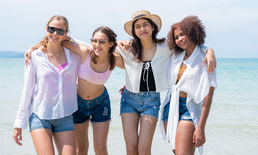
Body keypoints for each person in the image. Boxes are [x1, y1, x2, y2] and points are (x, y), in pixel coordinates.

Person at [116, 10, 216, 155]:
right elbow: (110, 52)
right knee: (134, 149)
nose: (142, 29)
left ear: (152, 27)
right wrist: (133, 83)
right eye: (137, 26)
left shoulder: (166, 47)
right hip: (152, 102)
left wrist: (210, 51)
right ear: (134, 31)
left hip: (163, 102)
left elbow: (193, 48)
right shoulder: (130, 48)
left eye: (145, 25)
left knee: (146, 150)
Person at [24, 26, 125, 155]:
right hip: (78, 104)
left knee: (100, 149)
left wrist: (127, 85)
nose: (97, 45)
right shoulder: (84, 52)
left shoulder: (114, 59)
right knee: (80, 149)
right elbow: (60, 40)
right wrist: (34, 47)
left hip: (101, 103)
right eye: (94, 41)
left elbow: (134, 68)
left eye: (102, 42)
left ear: (111, 43)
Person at [13, 15, 81, 155]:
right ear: (46, 29)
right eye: (52, 29)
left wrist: (69, 41)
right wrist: (19, 123)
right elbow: (27, 90)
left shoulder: (74, 57)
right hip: (40, 116)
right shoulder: (36, 56)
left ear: (66, 33)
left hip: (65, 115)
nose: (55, 33)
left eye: (60, 31)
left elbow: (92, 49)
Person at [159, 15, 217, 155]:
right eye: (176, 37)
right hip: (169, 106)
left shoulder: (205, 58)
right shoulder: (175, 56)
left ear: (192, 32)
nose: (180, 39)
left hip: (188, 109)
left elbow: (208, 96)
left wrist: (201, 128)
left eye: (182, 34)